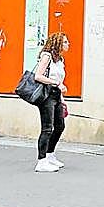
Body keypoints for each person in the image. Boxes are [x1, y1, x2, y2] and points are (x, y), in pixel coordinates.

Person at [33, 31, 70, 173]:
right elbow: (38, 76)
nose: (68, 44)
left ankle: (50, 155)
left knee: (60, 126)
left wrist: (62, 100)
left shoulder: (60, 60)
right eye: (65, 42)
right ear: (58, 43)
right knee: (47, 128)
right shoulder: (46, 56)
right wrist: (56, 83)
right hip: (46, 95)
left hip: (56, 95)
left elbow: (60, 80)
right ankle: (41, 162)